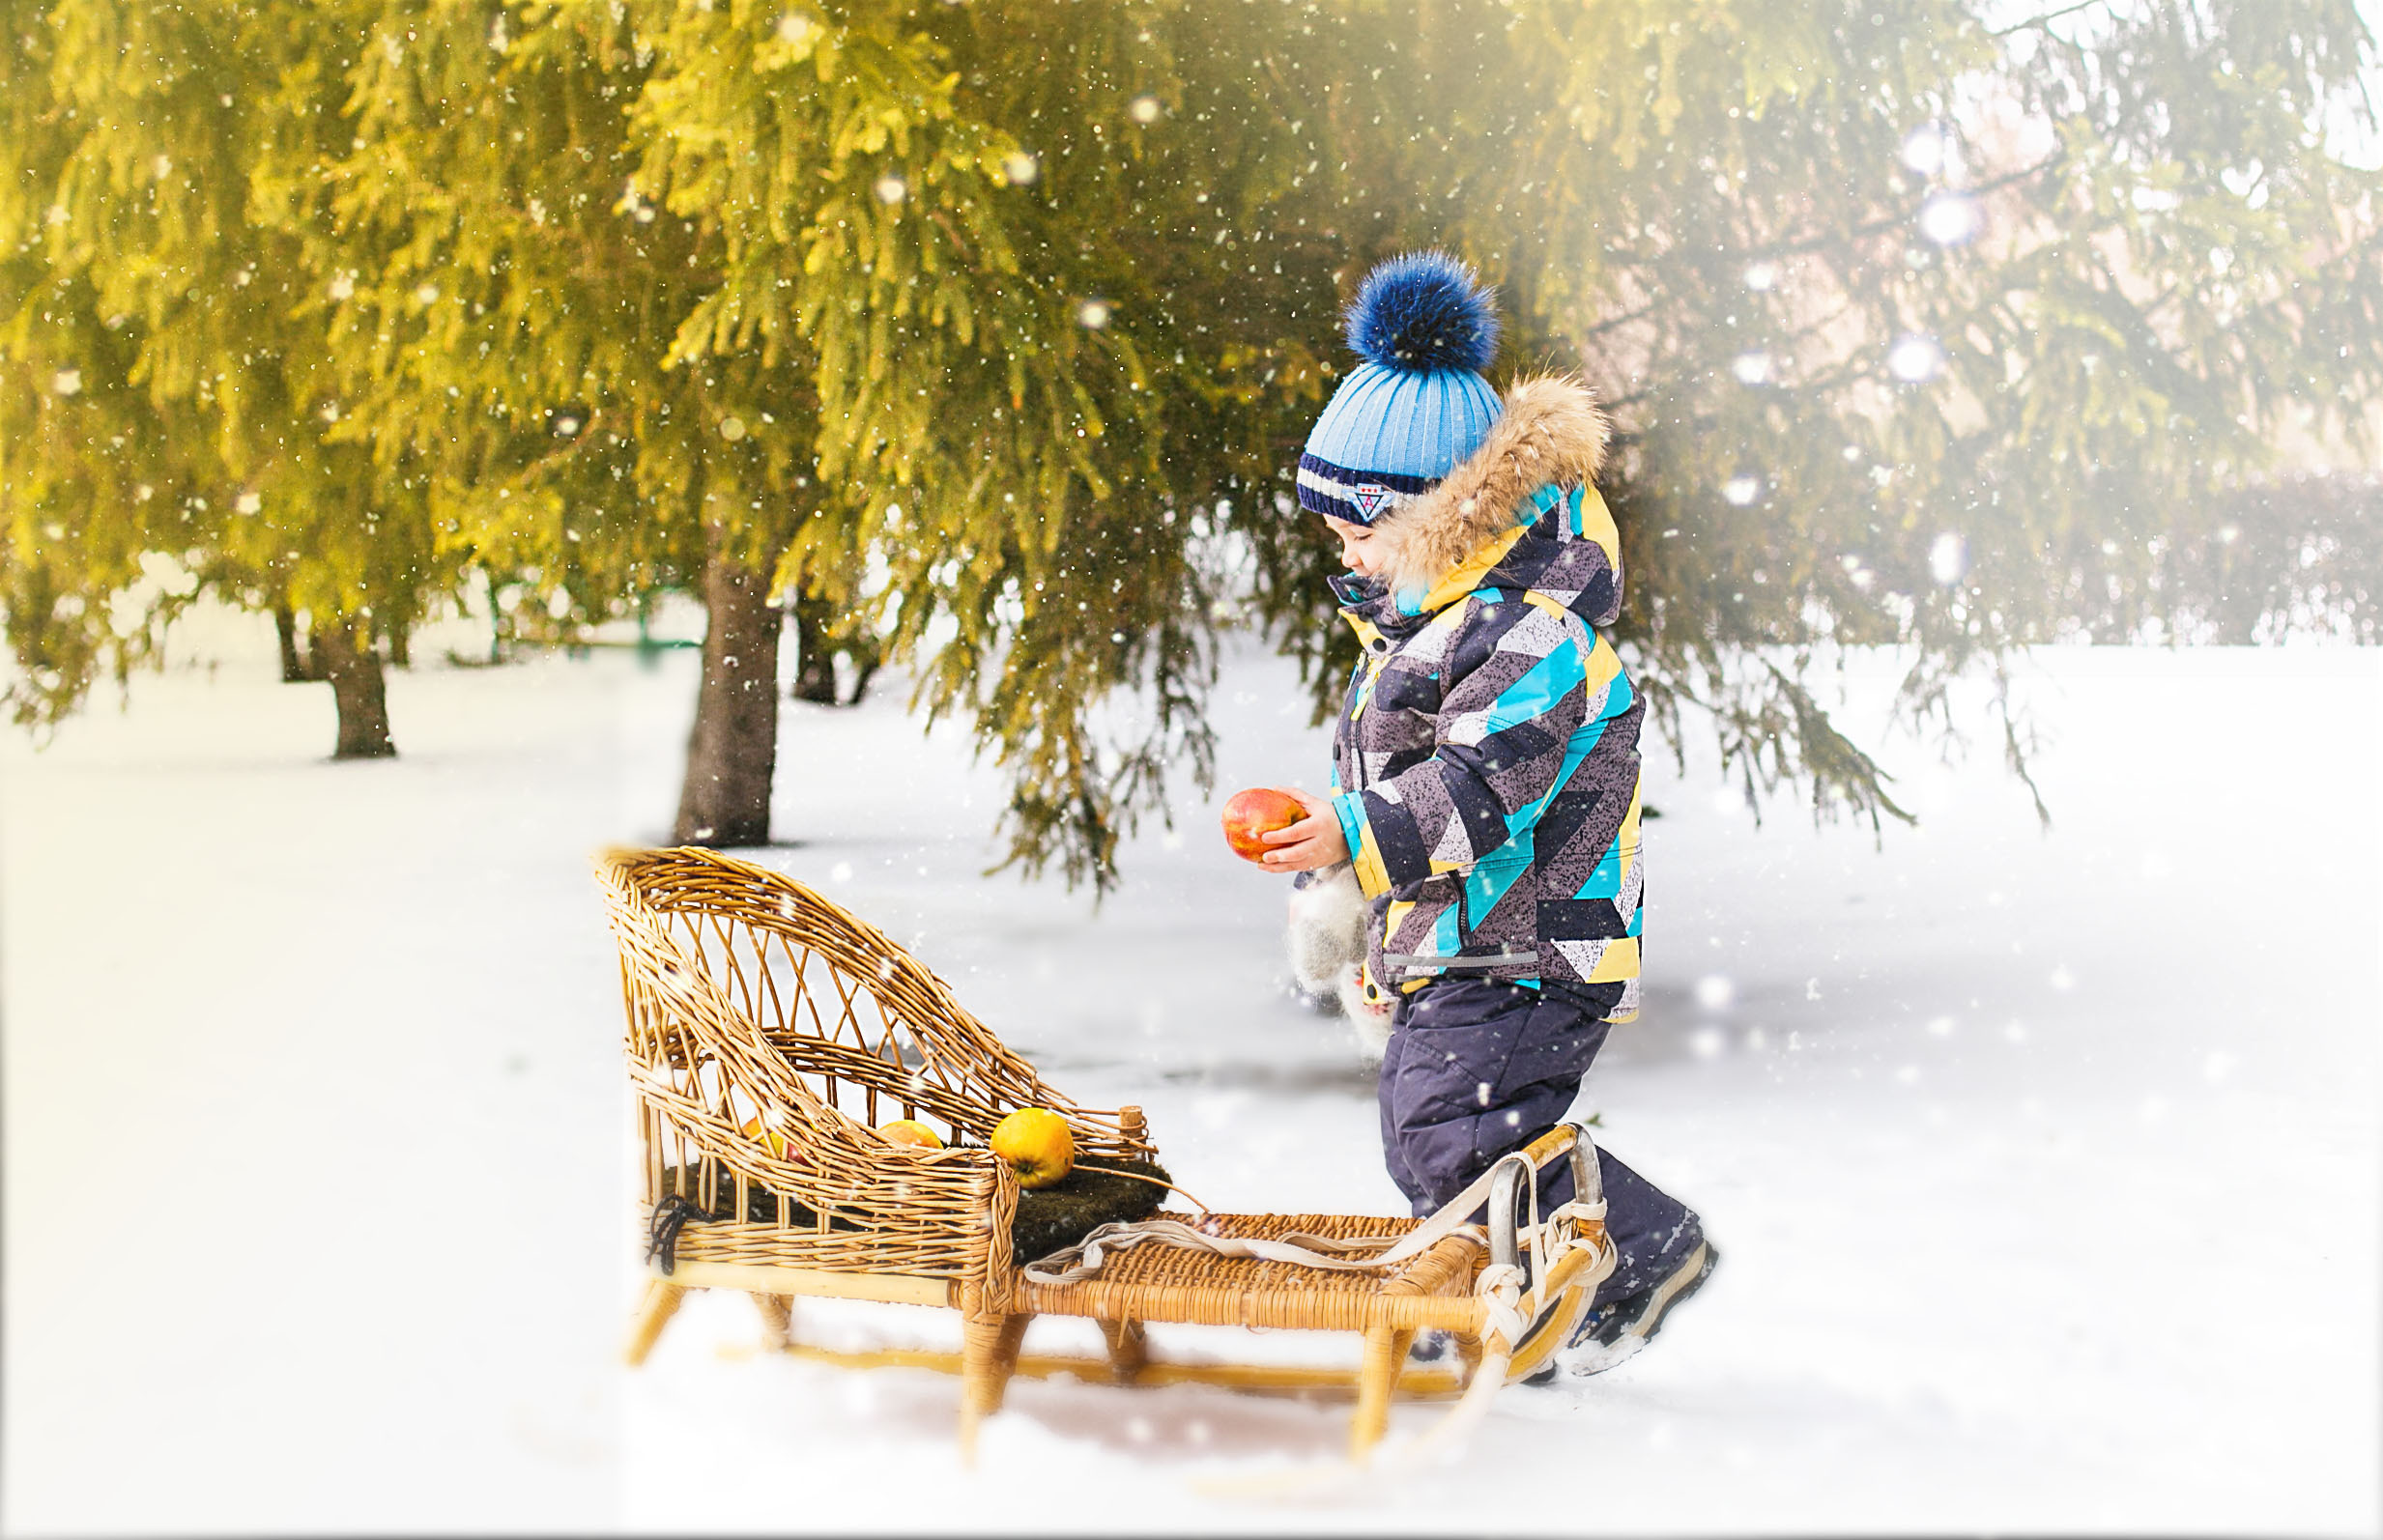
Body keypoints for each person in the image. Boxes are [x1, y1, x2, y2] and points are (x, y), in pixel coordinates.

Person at [1259, 251, 1714, 1377]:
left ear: (1442, 518)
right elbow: (1408, 791)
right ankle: (1504, 1302)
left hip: (1535, 943)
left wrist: (1354, 834)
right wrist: (1375, 924)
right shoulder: (1426, 633)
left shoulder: (1530, 630)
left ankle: (1637, 1252)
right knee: (1433, 1134)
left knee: (1450, 1126)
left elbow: (1481, 788)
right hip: (1467, 942)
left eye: (1361, 530)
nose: (1346, 555)